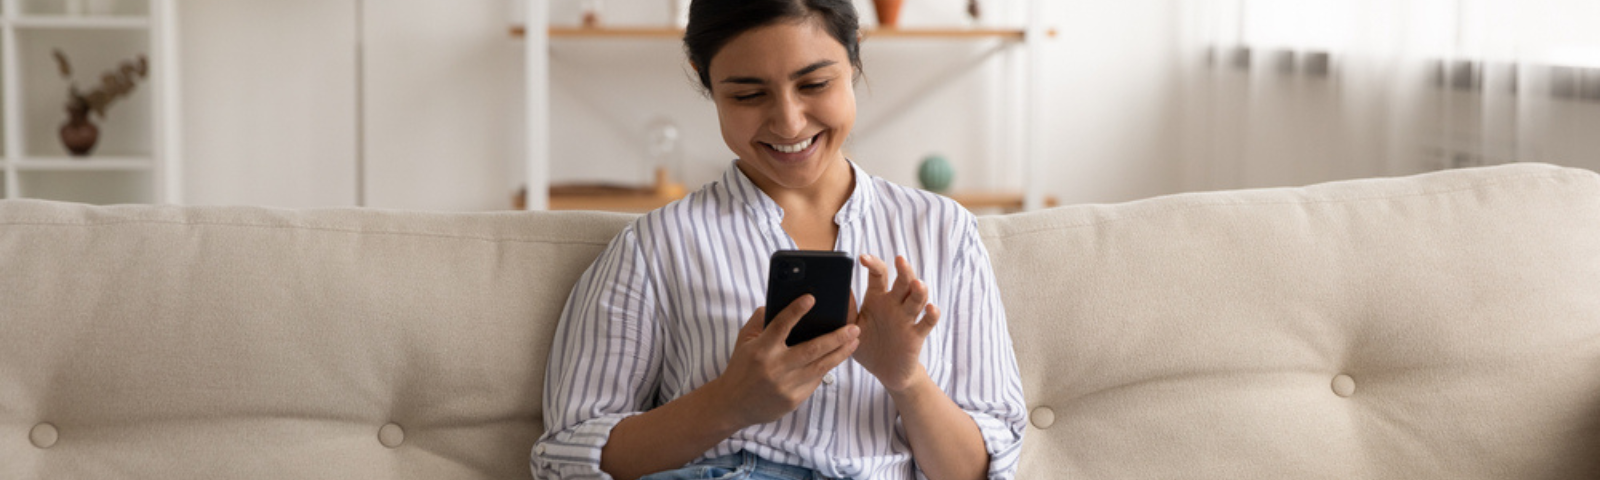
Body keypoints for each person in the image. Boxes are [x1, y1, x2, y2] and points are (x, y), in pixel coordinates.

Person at [532, 1, 1026, 479]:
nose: (789, 122)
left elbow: (981, 472)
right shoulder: (654, 246)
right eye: (748, 95)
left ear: (854, 57)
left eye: (814, 84)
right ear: (706, 79)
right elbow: (566, 456)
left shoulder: (945, 231)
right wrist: (728, 403)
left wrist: (908, 381)